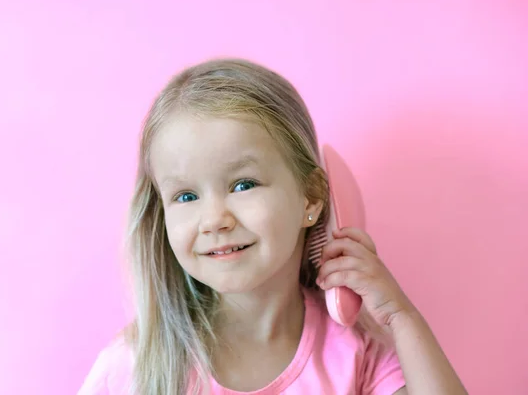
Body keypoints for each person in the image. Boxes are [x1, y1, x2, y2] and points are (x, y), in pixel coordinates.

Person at [77, 58, 467, 395]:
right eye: (186, 196)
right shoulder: (133, 366)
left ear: (311, 197)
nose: (214, 220)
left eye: (243, 185)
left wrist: (402, 318)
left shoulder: (355, 352)